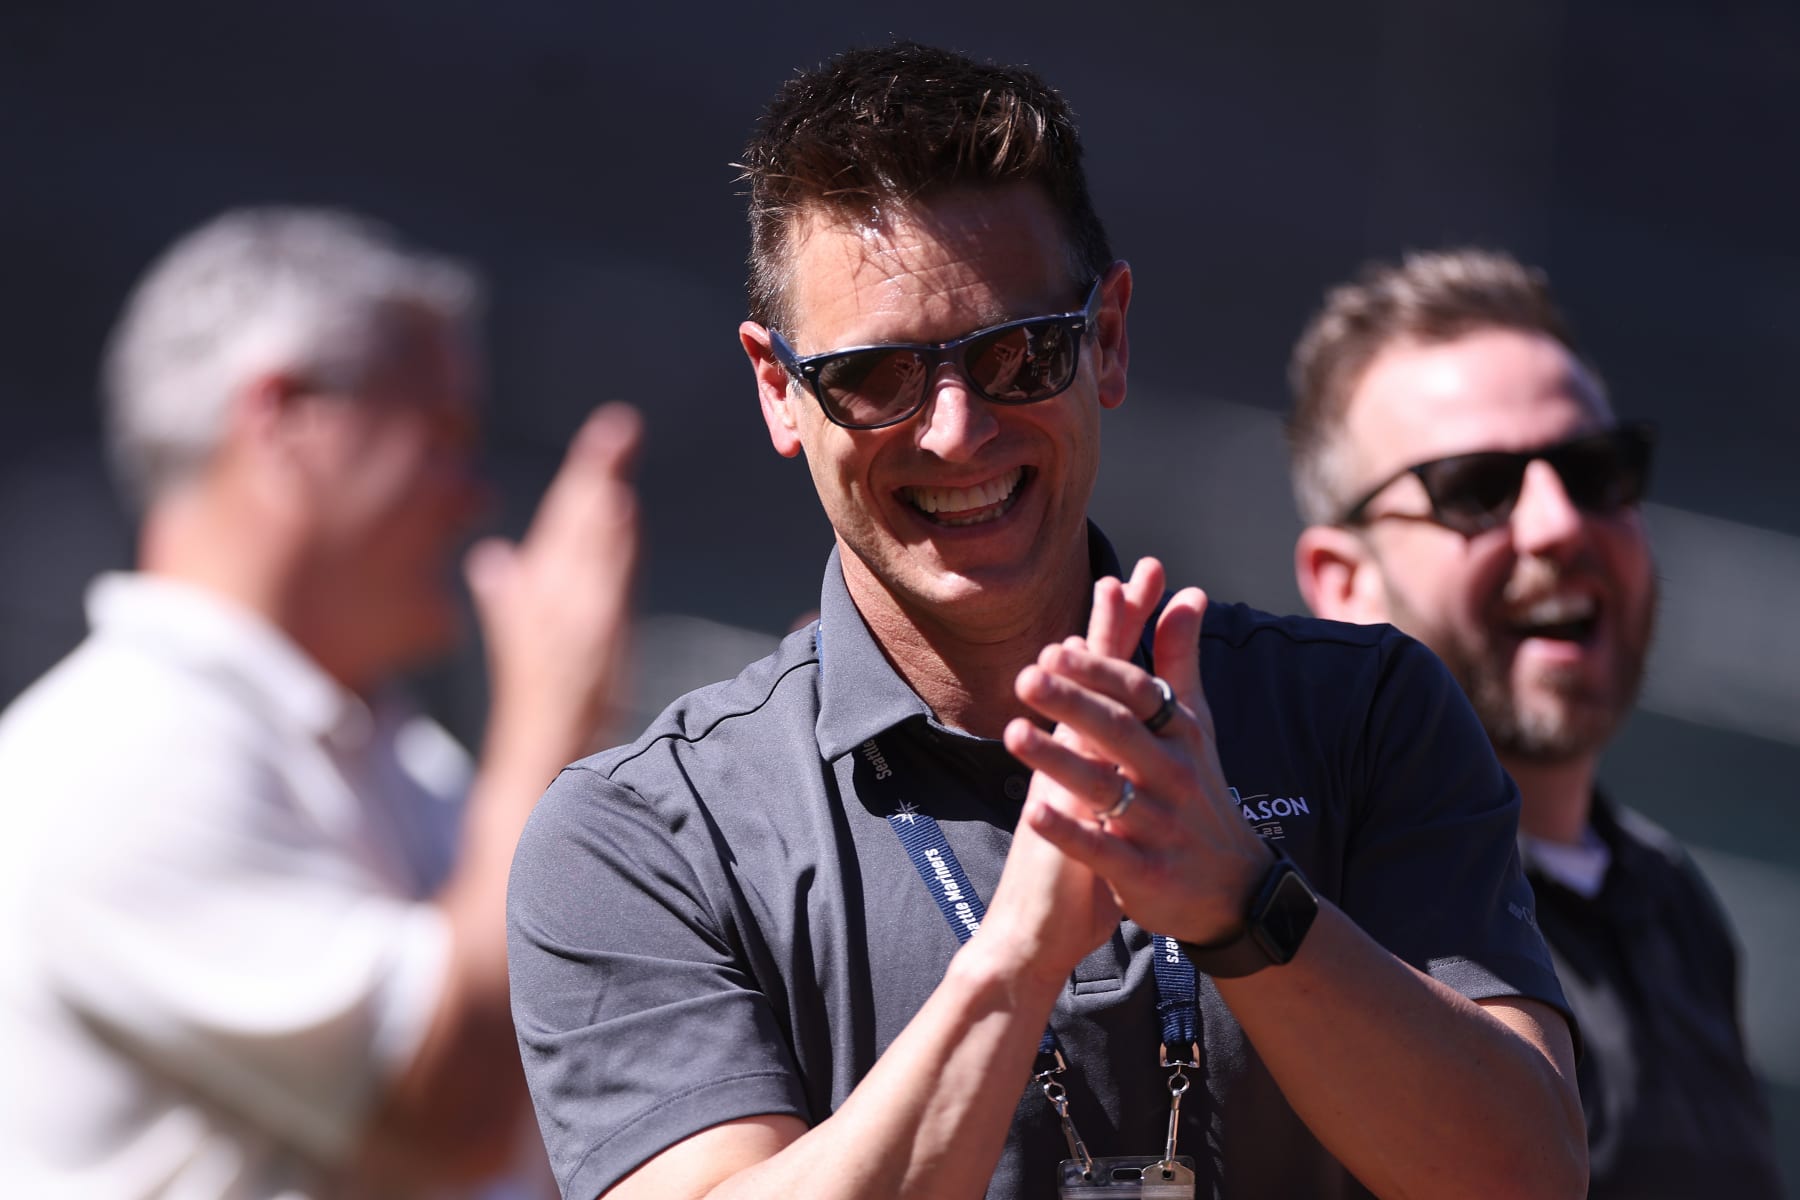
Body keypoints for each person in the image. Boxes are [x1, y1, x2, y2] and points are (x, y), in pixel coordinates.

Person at [508, 44, 1585, 1200]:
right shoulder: (643, 837)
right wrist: (1012, 963)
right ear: (781, 391)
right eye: (874, 379)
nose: (958, 433)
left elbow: (1524, 1173)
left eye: (1019, 354)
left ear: (1107, 340)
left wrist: (1243, 902)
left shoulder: (1362, 710)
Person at [0, 208, 641, 1198]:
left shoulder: (374, 747)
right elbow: (449, 1112)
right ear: (287, 419)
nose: (471, 495)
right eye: (442, 440)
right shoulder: (126, 751)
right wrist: (551, 722)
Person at [1287, 247, 1782, 1198]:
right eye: (1478, 488)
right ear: (1341, 582)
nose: (1557, 526)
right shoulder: (1309, 915)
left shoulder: (1672, 902)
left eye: (1596, 472)